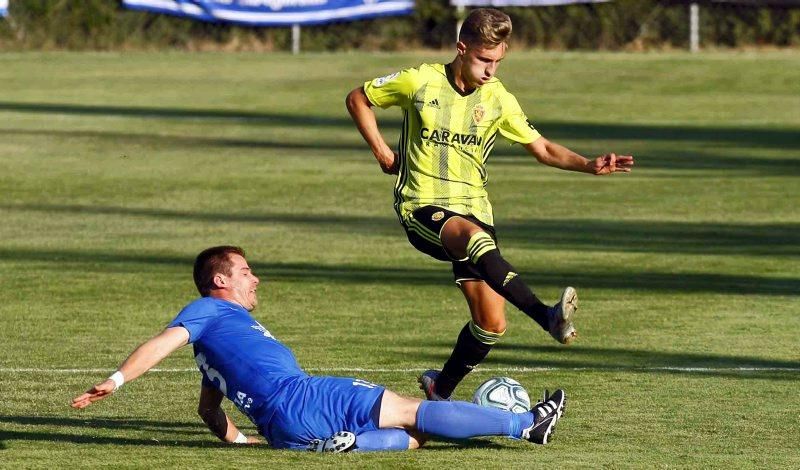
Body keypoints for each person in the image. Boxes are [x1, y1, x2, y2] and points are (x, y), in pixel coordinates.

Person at [345, 8, 634, 401]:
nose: (491, 70)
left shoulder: (497, 98)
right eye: (484, 60)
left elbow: (543, 148)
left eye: (498, 61)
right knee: (473, 237)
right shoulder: (420, 80)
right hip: (423, 207)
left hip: (475, 210)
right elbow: (359, 98)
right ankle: (546, 316)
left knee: (491, 324)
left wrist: (588, 164)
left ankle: (439, 389)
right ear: (462, 48)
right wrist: (381, 151)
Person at [71, 246, 568, 452]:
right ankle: (525, 425)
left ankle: (354, 444)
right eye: (245, 272)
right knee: (414, 411)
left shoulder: (214, 347)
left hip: (284, 430)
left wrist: (240, 444)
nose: (255, 277)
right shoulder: (208, 313)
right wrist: (116, 380)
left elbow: (208, 408)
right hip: (305, 398)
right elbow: (161, 342)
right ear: (220, 280)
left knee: (418, 437)